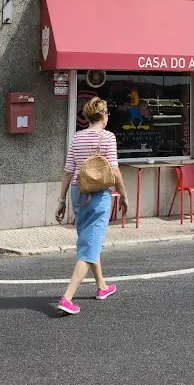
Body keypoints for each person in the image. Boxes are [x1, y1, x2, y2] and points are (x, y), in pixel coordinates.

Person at [55, 96, 128, 315]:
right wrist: (123, 195)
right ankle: (67, 298)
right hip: (98, 195)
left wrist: (61, 200)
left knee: (89, 239)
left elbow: (68, 170)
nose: (108, 118)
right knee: (89, 246)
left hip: (78, 192)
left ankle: (102, 286)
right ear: (103, 115)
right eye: (107, 114)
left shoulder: (77, 137)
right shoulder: (108, 137)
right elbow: (114, 170)